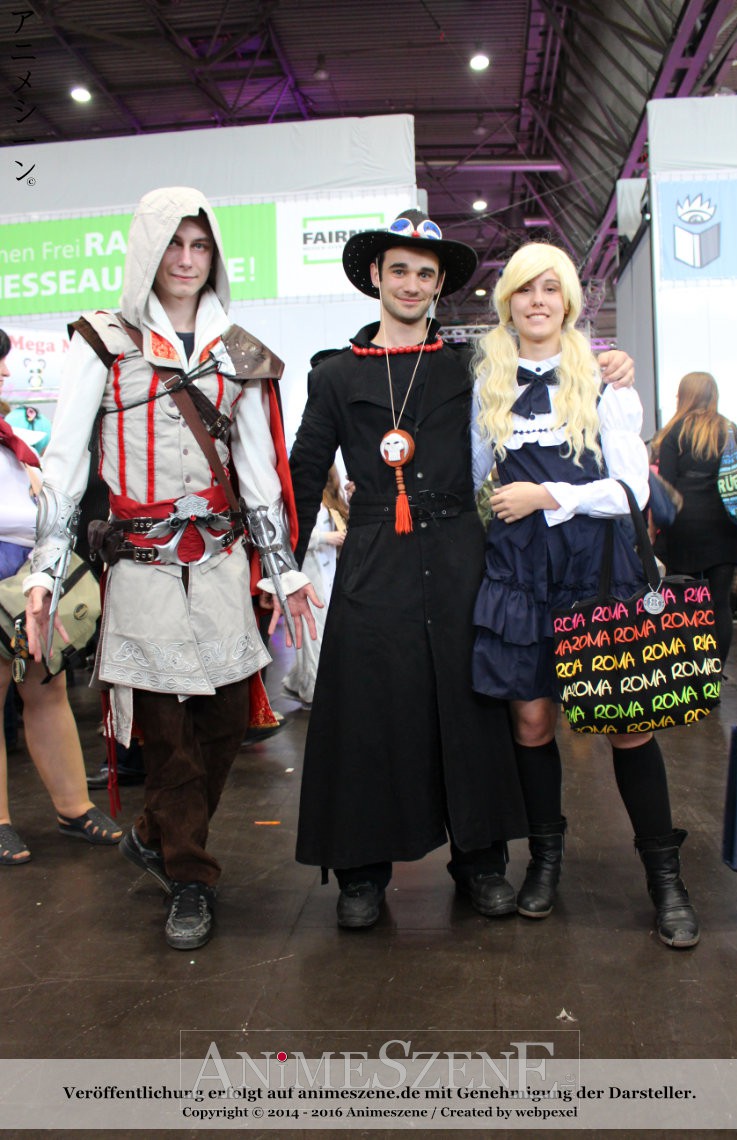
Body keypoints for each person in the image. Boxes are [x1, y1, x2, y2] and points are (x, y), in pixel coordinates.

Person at [285, 210, 634, 930]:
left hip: (460, 551)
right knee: (368, 710)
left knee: (471, 707)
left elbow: (545, 349)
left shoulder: (471, 363)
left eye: (425, 272)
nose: (412, 283)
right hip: (374, 552)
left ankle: (480, 861)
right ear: (376, 277)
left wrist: (606, 362)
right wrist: (279, 572)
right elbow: (303, 472)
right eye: (400, 270)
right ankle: (361, 872)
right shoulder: (333, 374)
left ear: (440, 284)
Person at [23, 188, 318, 948]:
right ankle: (189, 878)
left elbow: (257, 471)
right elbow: (63, 461)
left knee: (224, 723)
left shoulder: (240, 349)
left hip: (220, 561)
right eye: (174, 245)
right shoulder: (103, 340)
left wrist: (283, 572)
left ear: (214, 255)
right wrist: (44, 573)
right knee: (170, 733)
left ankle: (156, 833)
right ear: (149, 252)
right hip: (143, 565)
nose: (186, 261)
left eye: (200, 246)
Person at [470, 241, 699, 950]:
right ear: (507, 301)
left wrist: (548, 495)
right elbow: (475, 480)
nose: (537, 302)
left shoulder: (607, 382)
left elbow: (632, 491)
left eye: (551, 290)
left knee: (629, 724)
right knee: (531, 726)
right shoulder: (487, 387)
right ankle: (544, 862)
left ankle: (666, 881)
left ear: (568, 302)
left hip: (597, 570)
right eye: (524, 290)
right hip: (518, 576)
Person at [0, 330, 122, 865]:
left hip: (26, 578)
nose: (6, 374)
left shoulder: (9, 437)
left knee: (45, 691)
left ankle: (74, 806)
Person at [652, 372, 737, 670]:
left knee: (683, 604)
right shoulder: (731, 430)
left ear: (683, 395)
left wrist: (656, 530)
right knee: (720, 604)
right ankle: (715, 675)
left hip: (683, 525)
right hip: (724, 525)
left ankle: (690, 672)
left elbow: (665, 485)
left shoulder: (672, 432)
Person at [282, 465, 347, 708]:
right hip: (308, 574)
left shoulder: (332, 500)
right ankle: (314, 694)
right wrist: (324, 538)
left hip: (328, 574)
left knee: (319, 635)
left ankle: (298, 683)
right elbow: (291, 536)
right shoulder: (303, 502)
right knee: (314, 635)